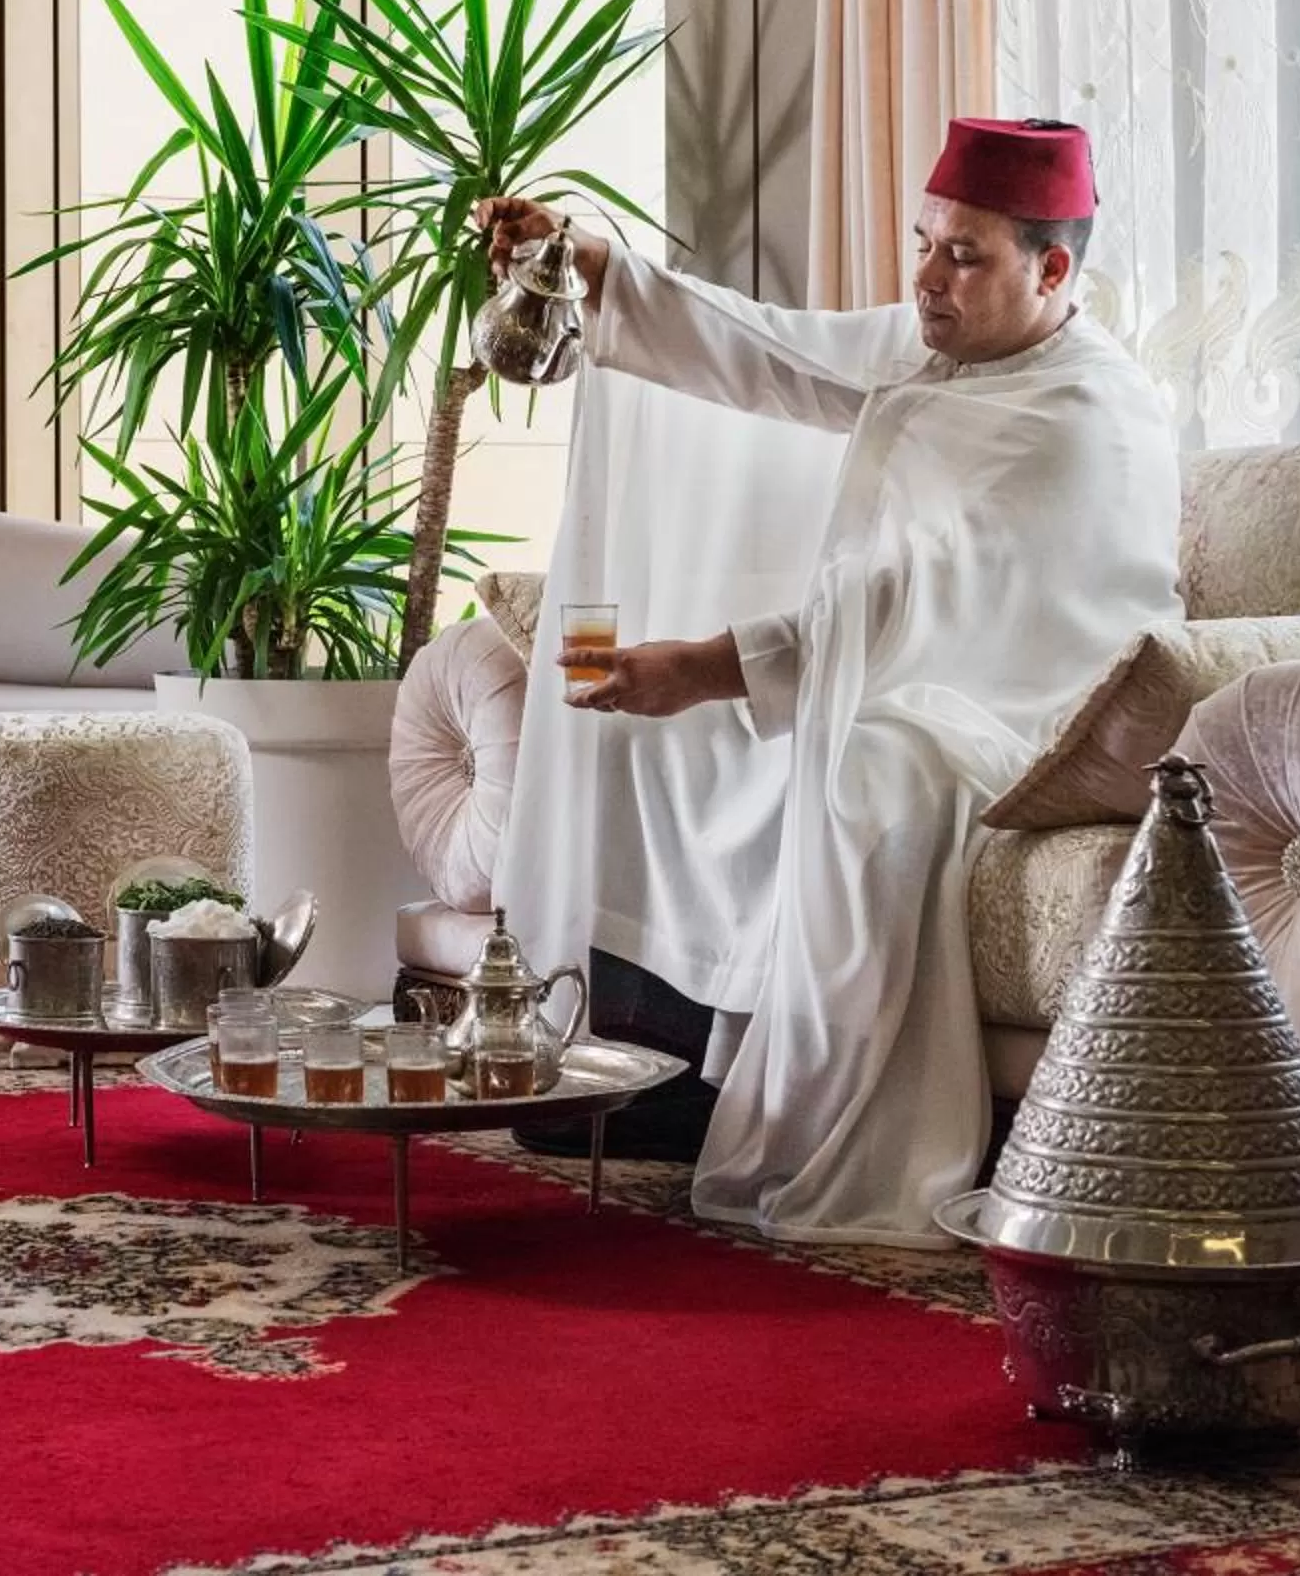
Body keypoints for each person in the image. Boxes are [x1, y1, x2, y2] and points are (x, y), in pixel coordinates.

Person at [474, 117, 1181, 1247]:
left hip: (1035, 713)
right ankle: (649, 1064)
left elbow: (912, 597)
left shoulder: (1082, 415)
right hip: (917, 675)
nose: (927, 278)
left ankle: (817, 1131)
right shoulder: (947, 346)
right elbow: (772, 351)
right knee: (678, 744)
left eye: (964, 256)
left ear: (1052, 271)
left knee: (867, 769)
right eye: (924, 242)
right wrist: (594, 265)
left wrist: (707, 665)